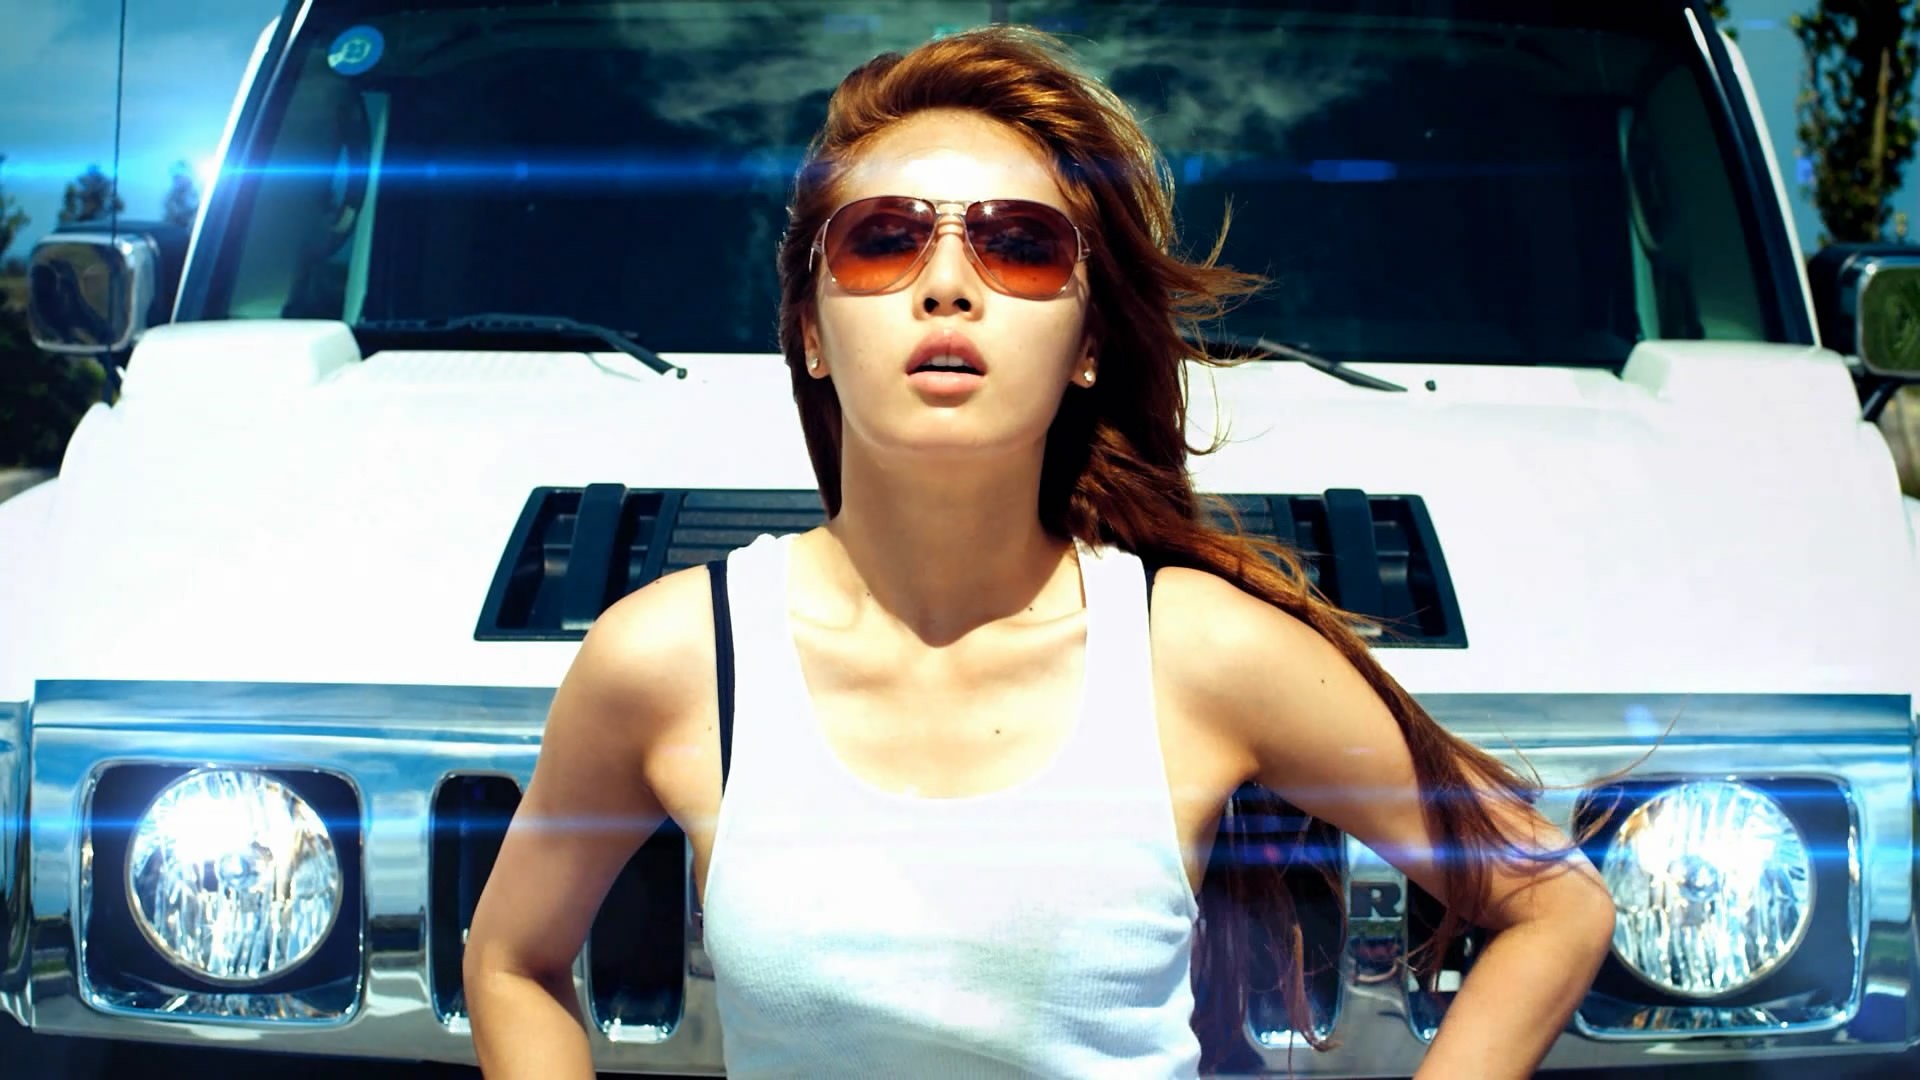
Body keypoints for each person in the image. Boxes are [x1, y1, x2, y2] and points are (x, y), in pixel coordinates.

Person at [462, 25, 1619, 1080]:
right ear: (809, 329)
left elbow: (1552, 902)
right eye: (883, 241)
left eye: (1019, 247)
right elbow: (511, 963)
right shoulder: (670, 658)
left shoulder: (1194, 651)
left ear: (1088, 344)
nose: (947, 285)